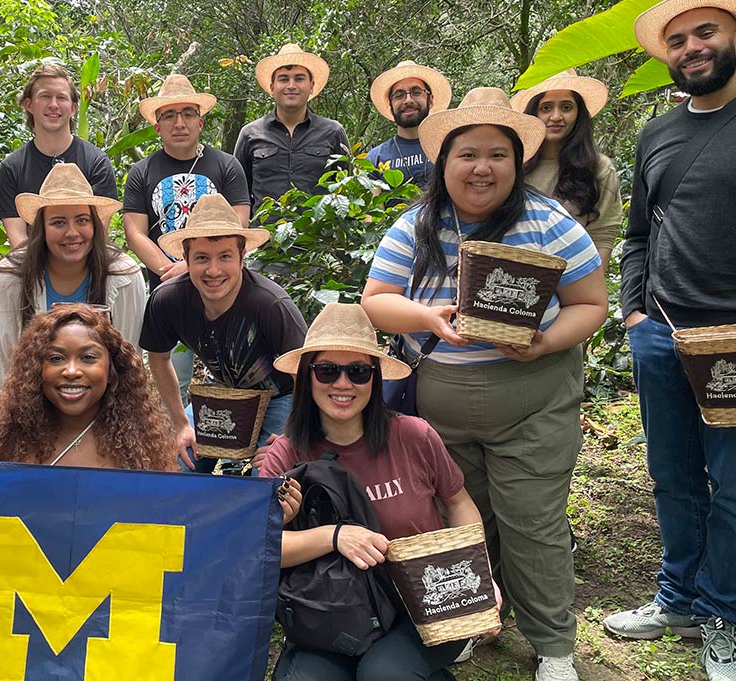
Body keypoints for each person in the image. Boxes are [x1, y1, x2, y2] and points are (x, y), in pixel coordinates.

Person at [362, 87, 608, 681]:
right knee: (463, 517)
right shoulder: (417, 225)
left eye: (497, 154)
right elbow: (376, 302)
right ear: (443, 164)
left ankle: (553, 646)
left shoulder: (549, 223)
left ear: (517, 162)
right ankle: (472, 620)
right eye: (466, 154)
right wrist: (426, 317)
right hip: (444, 403)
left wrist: (545, 340)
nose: (481, 168)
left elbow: (590, 302)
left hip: (535, 399)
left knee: (532, 520)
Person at [603, 2, 736, 678]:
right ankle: (677, 598)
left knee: (734, 482)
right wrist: (635, 316)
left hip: (733, 341)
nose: (692, 48)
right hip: (662, 332)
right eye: (679, 40)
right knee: (675, 477)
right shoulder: (657, 133)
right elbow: (637, 236)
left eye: (706, 32)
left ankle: (722, 614)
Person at [260, 303, 491, 681]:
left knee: (383, 674)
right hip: (329, 612)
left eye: (358, 372)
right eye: (327, 370)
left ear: (375, 378)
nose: (343, 383)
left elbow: (459, 502)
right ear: (307, 378)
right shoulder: (286, 454)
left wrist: (478, 576)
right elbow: (262, 547)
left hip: (421, 606)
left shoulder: (414, 435)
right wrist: (333, 536)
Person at [139, 194, 307, 473]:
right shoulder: (168, 300)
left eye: (225, 256)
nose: (213, 270)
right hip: (225, 394)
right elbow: (157, 358)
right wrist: (180, 423)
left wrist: (293, 434)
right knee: (175, 463)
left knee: (269, 476)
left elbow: (305, 372)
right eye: (202, 258)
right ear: (186, 258)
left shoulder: (269, 304)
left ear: (242, 257)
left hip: (284, 396)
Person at [125, 74, 252, 403]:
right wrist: (173, 269)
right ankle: (178, 449)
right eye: (169, 115)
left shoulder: (227, 166)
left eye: (187, 113)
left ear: (200, 120)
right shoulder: (141, 172)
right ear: (157, 126)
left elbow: (239, 225)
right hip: (169, 294)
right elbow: (135, 231)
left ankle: (232, 450)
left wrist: (194, 266)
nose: (179, 122)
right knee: (173, 378)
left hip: (224, 290)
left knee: (232, 379)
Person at [0, 163, 145, 405]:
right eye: (58, 222)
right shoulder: (6, 282)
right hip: (29, 410)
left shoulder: (124, 276)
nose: (72, 233)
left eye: (82, 220)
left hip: (105, 412)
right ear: (41, 229)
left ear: (95, 225)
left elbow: (130, 365)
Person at [0, 304, 173, 470]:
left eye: (88, 358)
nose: (71, 371)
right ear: (36, 370)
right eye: (56, 358)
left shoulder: (140, 450)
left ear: (112, 369)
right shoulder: (8, 442)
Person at [0, 63, 117, 250]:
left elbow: (98, 234)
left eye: (61, 98)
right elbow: (18, 239)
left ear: (73, 108)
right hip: (32, 266)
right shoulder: (12, 167)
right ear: (29, 104)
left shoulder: (96, 162)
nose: (53, 105)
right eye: (45, 96)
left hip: (86, 264)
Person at [511, 69, 622, 270]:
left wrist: (590, 293)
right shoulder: (512, 166)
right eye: (546, 108)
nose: (556, 116)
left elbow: (602, 236)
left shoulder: (598, 168)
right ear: (533, 112)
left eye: (566, 107)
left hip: (573, 281)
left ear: (579, 113)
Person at [233, 44, 350, 214]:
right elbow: (239, 194)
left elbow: (346, 189)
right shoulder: (250, 134)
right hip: (265, 237)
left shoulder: (333, 132)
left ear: (311, 86)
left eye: (299, 78)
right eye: (284, 79)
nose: (291, 85)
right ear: (272, 87)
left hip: (320, 238)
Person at [366, 61, 453, 189]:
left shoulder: (449, 149)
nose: (408, 100)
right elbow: (374, 207)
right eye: (399, 95)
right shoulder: (374, 159)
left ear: (431, 100)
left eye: (416, 92)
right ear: (390, 106)